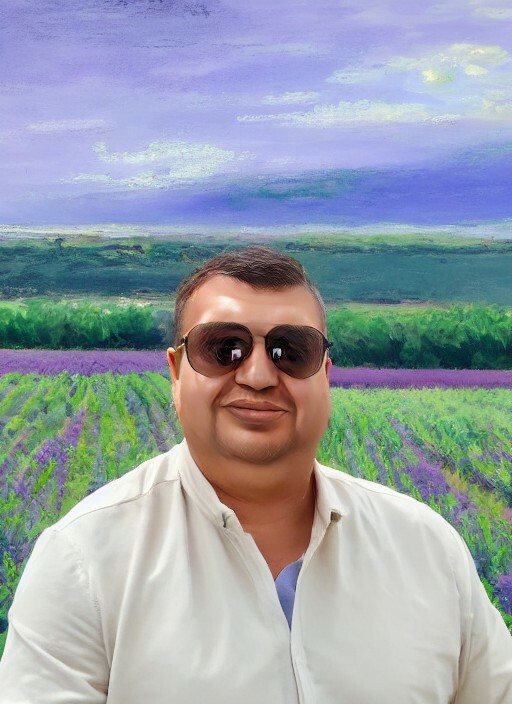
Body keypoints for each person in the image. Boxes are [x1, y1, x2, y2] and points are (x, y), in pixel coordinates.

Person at [0, 246, 511, 704]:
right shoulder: (83, 562)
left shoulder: (429, 550)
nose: (259, 375)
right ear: (176, 372)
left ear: (325, 375)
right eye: (224, 348)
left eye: (291, 351)